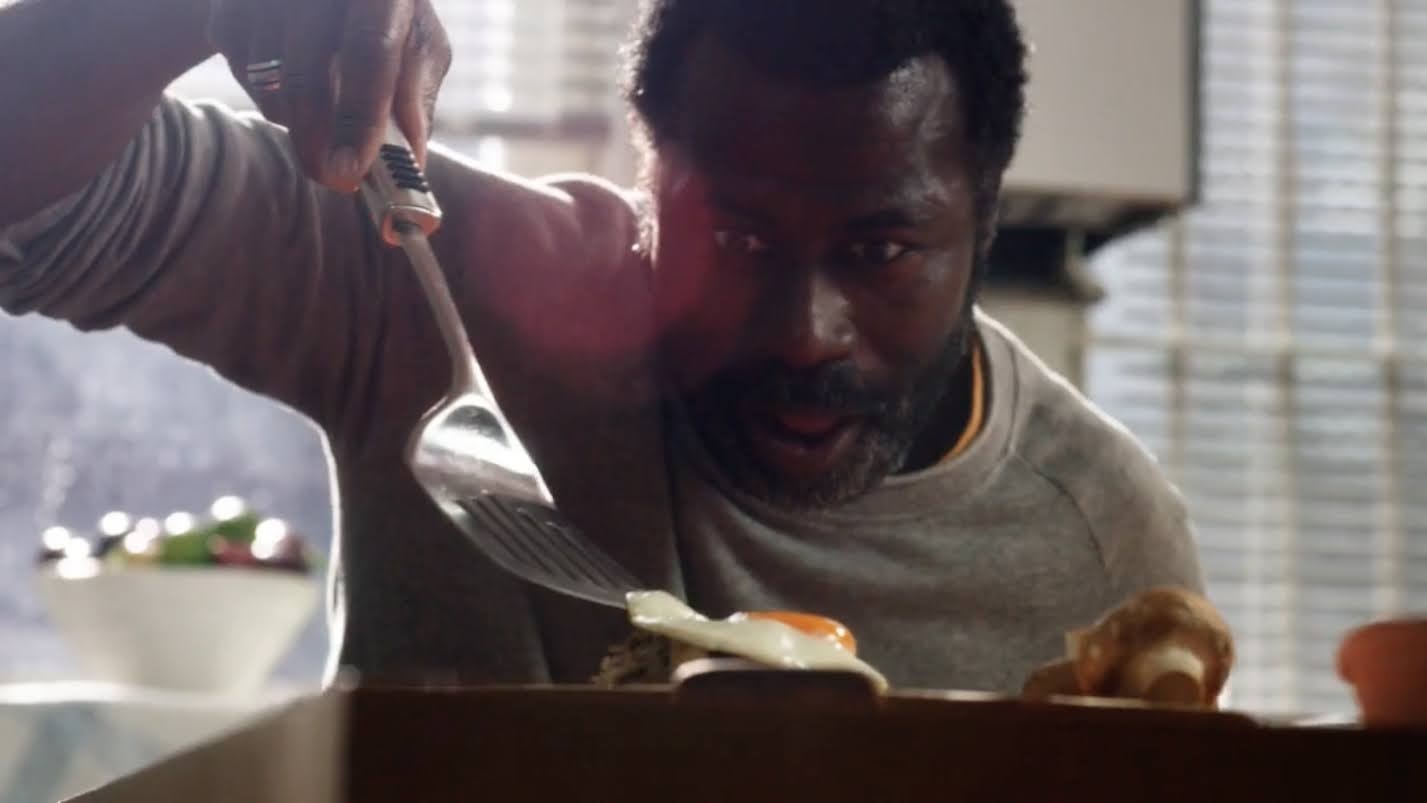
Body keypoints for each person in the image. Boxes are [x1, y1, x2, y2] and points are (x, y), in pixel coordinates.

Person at [0, 0, 1203, 692]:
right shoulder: (436, 287)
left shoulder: (1100, 541)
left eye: (880, 251)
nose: (801, 328)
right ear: (649, 184)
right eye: (730, 234)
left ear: (981, 218)